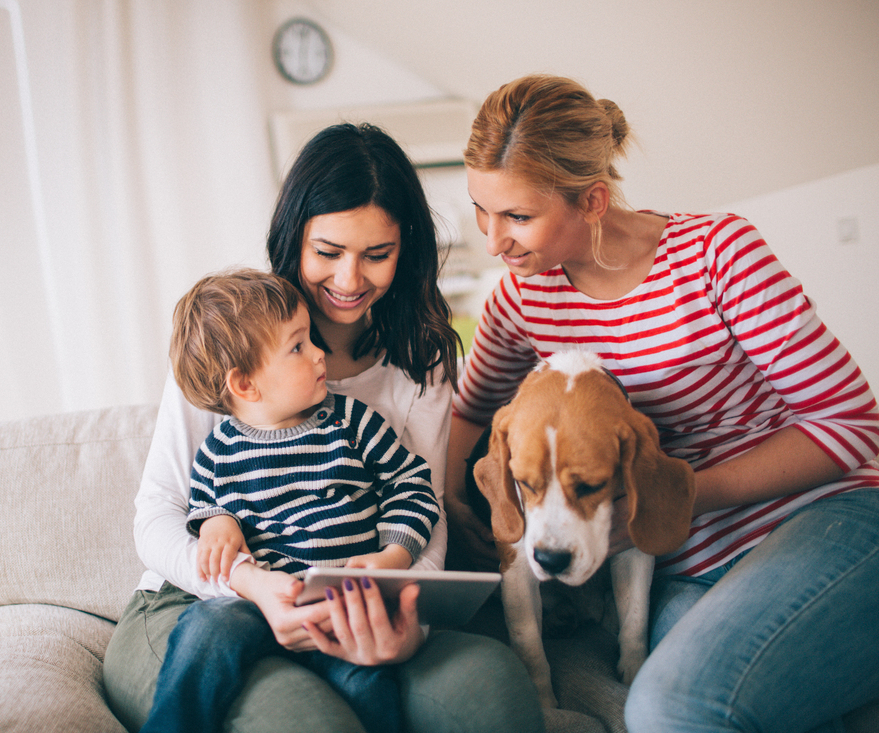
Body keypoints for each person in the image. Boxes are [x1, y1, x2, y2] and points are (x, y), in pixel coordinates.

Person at [444, 74, 879, 733]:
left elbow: (852, 425)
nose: (494, 241)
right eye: (482, 209)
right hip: (683, 560)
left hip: (819, 520)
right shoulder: (520, 301)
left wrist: (677, 497)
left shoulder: (718, 255)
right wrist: (449, 502)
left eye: (518, 217)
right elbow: (471, 410)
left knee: (672, 707)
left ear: (591, 199)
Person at [102, 122, 544, 733]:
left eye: (377, 255)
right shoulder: (234, 332)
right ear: (295, 238)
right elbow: (162, 514)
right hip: (207, 603)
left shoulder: (423, 358)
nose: (349, 280)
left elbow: (421, 505)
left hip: (359, 598)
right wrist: (248, 584)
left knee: (491, 696)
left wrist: (402, 622)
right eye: (328, 252)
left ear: (406, 249)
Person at [142, 268, 441, 733]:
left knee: (370, 685)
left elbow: (411, 485)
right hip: (259, 604)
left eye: (311, 340)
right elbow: (202, 510)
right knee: (203, 631)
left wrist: (394, 555)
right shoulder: (218, 452)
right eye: (298, 347)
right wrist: (219, 524)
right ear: (245, 385)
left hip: (340, 604)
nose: (320, 353)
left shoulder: (352, 422)